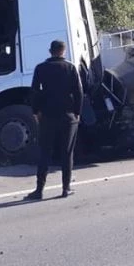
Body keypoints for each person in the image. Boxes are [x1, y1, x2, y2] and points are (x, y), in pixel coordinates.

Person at [24, 40, 83, 200]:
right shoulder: (70, 68)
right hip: (68, 116)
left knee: (45, 152)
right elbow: (78, 92)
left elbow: (34, 91)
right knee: (67, 152)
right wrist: (77, 112)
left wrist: (36, 111)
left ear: (50, 51)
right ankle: (66, 188)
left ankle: (39, 190)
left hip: (47, 116)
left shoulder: (41, 68)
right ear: (64, 51)